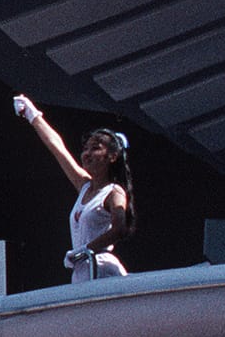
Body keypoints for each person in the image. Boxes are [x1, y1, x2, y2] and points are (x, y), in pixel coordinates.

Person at [11, 95, 134, 282]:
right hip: (81, 269)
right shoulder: (84, 185)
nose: (87, 154)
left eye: (95, 148)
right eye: (86, 148)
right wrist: (32, 114)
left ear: (112, 156)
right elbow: (57, 148)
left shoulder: (114, 192)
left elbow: (120, 228)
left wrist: (86, 249)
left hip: (101, 267)